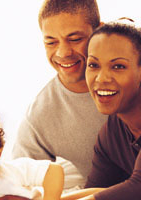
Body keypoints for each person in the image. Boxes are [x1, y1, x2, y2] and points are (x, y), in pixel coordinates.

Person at [12, 0, 107, 191]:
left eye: (74, 39)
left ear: (99, 32)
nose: (63, 52)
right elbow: (19, 185)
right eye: (51, 42)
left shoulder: (131, 82)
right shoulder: (39, 116)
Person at [71, 19, 141, 200]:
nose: (101, 79)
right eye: (93, 65)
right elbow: (99, 189)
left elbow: (138, 186)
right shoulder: (111, 133)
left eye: (118, 66)